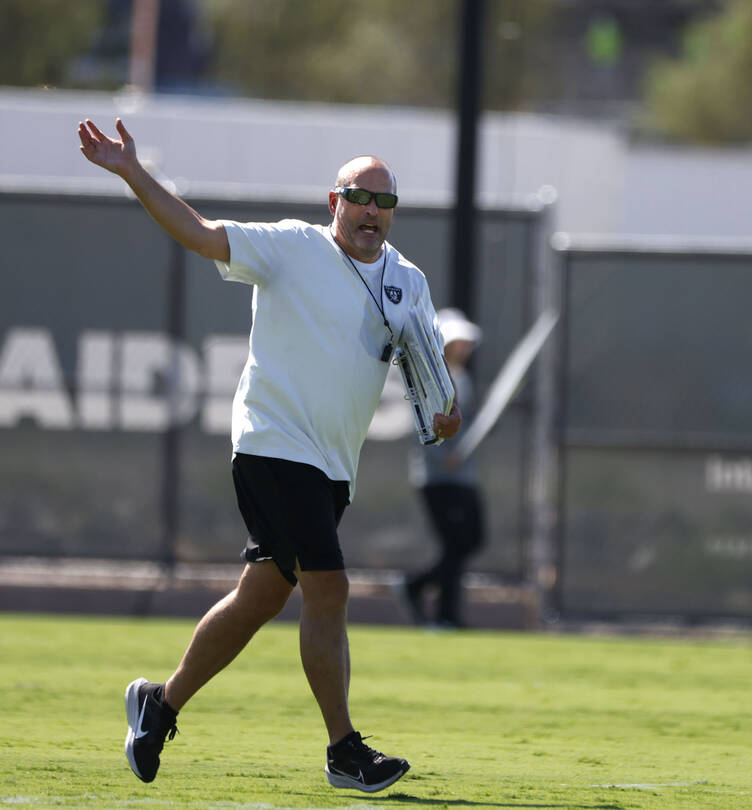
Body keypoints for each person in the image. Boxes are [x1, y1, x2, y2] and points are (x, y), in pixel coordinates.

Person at [78, 117, 461, 793]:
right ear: (333, 202)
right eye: (359, 196)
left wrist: (445, 414)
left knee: (260, 598)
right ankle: (344, 750)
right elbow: (199, 234)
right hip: (271, 443)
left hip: (333, 465)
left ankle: (158, 705)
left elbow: (432, 383)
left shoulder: (409, 281)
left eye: (385, 201)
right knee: (329, 587)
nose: (372, 210)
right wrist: (132, 171)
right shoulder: (291, 247)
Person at [402, 308, 486, 629]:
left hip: (464, 476)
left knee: (469, 541)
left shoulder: (463, 378)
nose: (463, 347)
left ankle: (425, 593)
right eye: (457, 341)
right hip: (438, 479)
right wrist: (442, 456)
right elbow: (421, 426)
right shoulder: (431, 376)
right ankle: (443, 612)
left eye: (466, 342)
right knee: (456, 544)